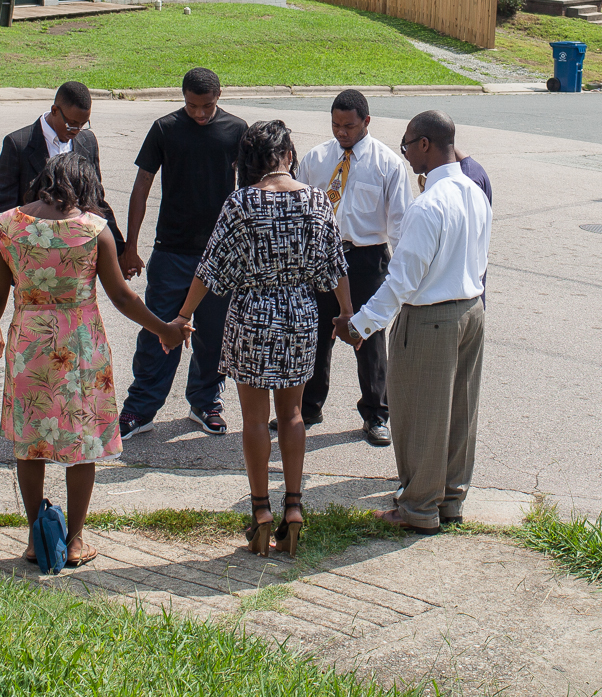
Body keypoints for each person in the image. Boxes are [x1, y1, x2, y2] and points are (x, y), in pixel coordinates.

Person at [0, 153, 188, 568]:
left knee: (31, 442)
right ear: (86, 187)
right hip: (79, 344)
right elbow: (123, 297)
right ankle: (74, 541)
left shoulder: (8, 225)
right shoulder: (94, 231)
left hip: (29, 344)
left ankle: (34, 539)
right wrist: (164, 328)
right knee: (82, 444)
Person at [175, 120, 348, 554]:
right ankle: (294, 505)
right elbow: (335, 267)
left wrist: (183, 316)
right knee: (292, 416)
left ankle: (260, 512)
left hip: (252, 314)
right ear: (288, 154)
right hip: (299, 314)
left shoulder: (241, 203)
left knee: (254, 420)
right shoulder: (316, 201)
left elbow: (210, 269)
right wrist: (347, 315)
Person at [335, 110, 490, 533]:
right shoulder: (474, 191)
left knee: (420, 415)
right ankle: (450, 500)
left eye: (406, 145)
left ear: (425, 144)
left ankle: (418, 508)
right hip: (471, 310)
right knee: (460, 412)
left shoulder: (429, 204)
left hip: (431, 318)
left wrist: (360, 324)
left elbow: (402, 281)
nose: (404, 155)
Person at [118, 67, 247, 438]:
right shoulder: (165, 128)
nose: (200, 113)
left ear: (219, 95)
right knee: (158, 330)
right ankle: (140, 409)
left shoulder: (236, 130)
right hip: (171, 251)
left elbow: (251, 187)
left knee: (215, 334)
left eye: (206, 106)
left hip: (220, 255)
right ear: (183, 98)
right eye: (192, 105)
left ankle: (205, 402)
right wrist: (131, 245)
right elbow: (143, 183)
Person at [290, 89, 413, 447]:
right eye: (335, 125)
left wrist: (401, 273)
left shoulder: (386, 163)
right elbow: (301, 210)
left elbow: (401, 222)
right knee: (316, 334)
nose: (341, 133)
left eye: (349, 126)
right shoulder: (316, 159)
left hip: (366, 258)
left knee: (369, 338)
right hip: (324, 257)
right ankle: (309, 407)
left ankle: (376, 414)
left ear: (366, 122)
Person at [0, 81, 124, 249]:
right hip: (31, 249)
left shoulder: (88, 142)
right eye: (72, 123)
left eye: (83, 124)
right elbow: (1, 205)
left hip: (78, 251)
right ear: (55, 111)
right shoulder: (18, 144)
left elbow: (96, 200)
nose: (76, 130)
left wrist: (120, 249)